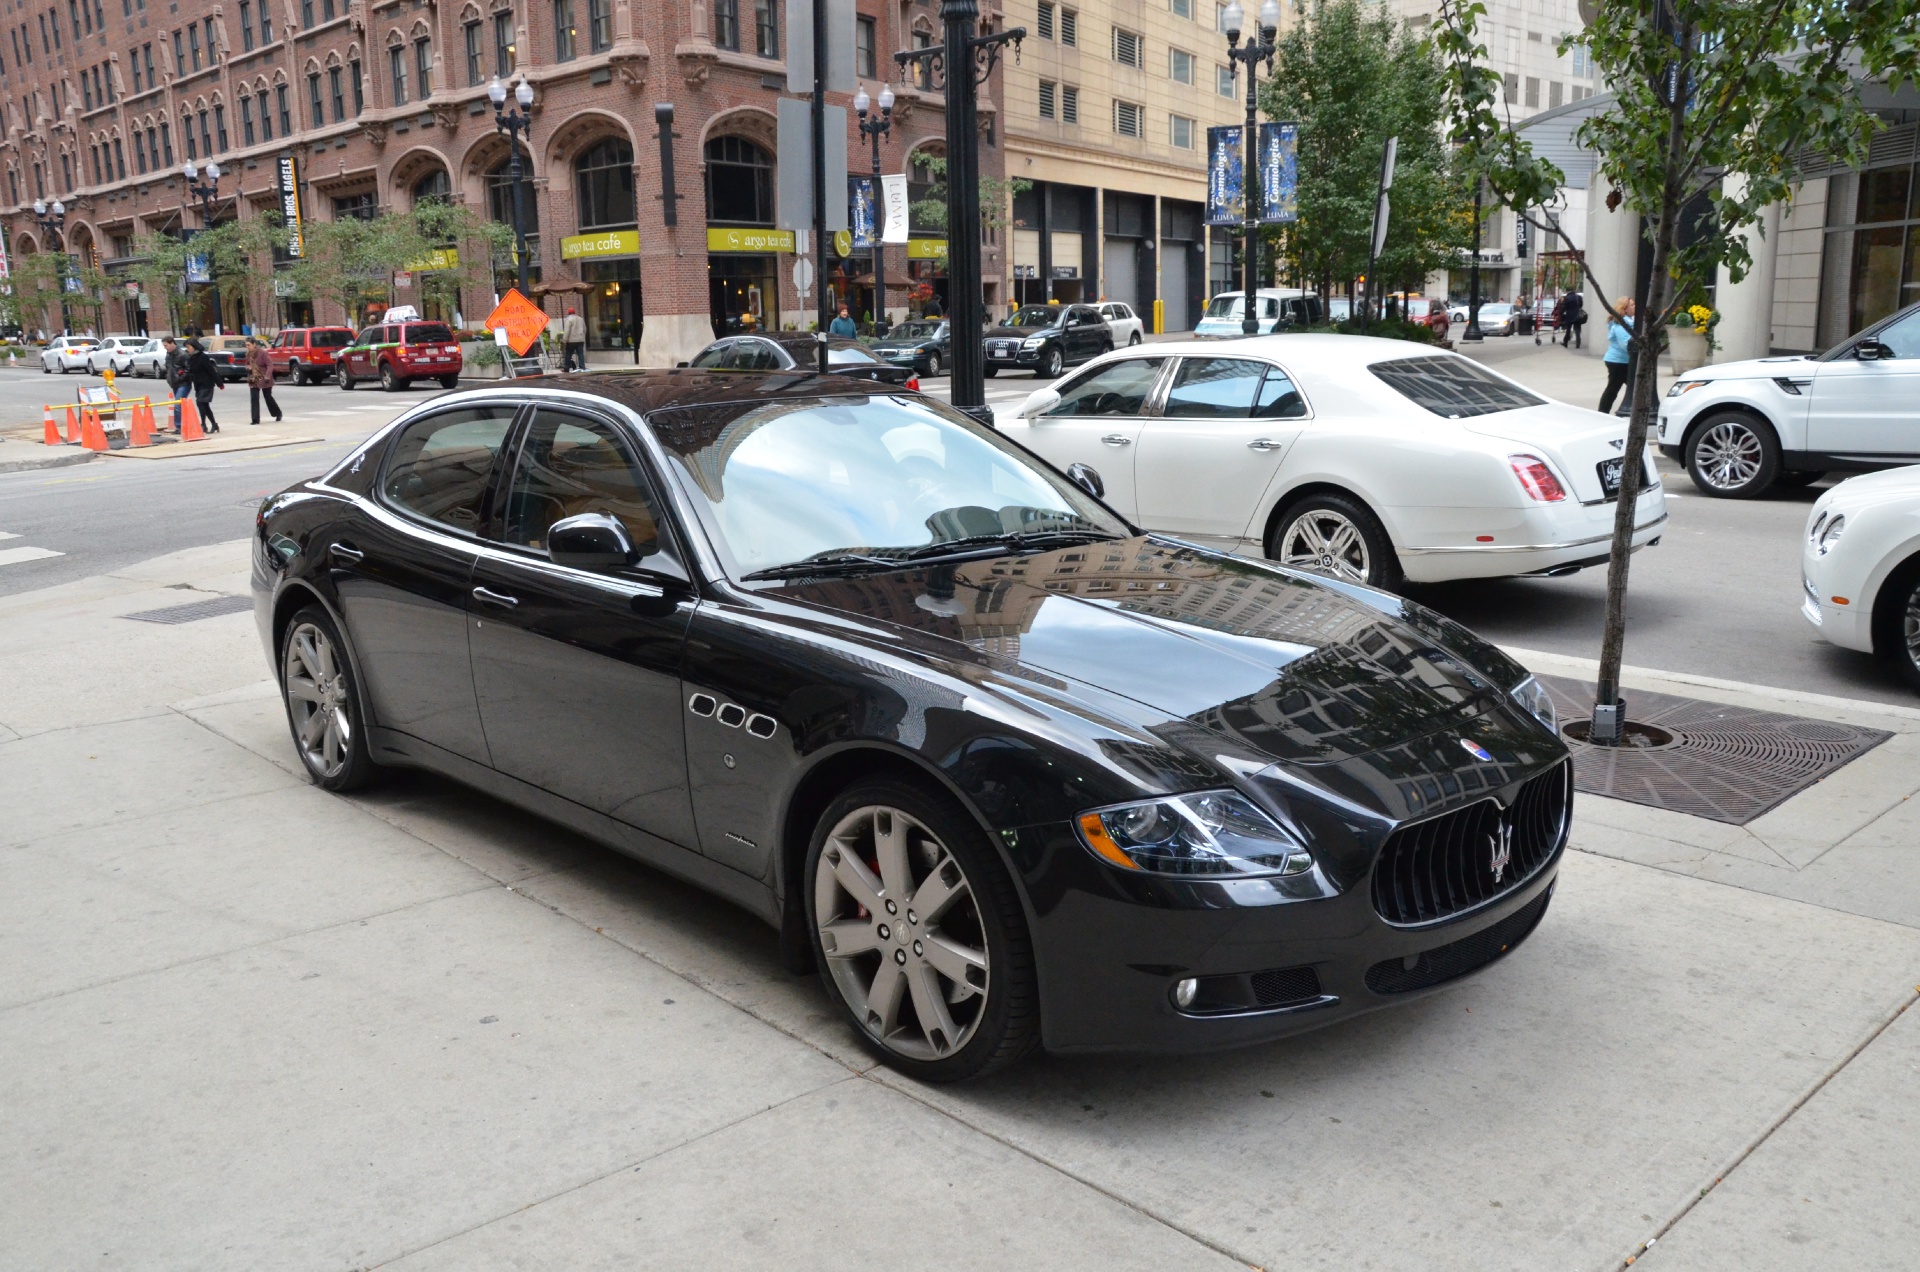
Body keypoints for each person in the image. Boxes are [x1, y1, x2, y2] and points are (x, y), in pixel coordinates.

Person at [1598, 298, 1636, 415]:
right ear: (1624, 309)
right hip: (1618, 362)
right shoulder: (1621, 323)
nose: (1635, 306)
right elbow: (1626, 343)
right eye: (1632, 305)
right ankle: (1603, 413)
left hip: (1623, 361)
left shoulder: (1628, 321)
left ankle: (1606, 412)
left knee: (1632, 388)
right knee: (1614, 389)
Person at [185, 338, 223, 433]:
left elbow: (211, 370)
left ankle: (203, 424)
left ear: (194, 347)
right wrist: (185, 373)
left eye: (189, 347)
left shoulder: (203, 357)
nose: (188, 349)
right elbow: (191, 371)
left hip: (206, 384)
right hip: (198, 384)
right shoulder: (191, 358)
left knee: (200, 403)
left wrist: (219, 383)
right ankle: (214, 424)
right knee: (204, 405)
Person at [246, 337, 283, 425]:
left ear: (254, 344)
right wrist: (248, 368)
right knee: (254, 398)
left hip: (265, 378)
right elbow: (247, 364)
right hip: (254, 378)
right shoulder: (248, 354)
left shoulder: (263, 353)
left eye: (249, 345)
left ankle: (278, 413)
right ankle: (255, 419)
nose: (247, 347)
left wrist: (267, 377)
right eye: (246, 345)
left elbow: (270, 365)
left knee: (268, 397)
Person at [161, 336, 188, 432]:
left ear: (172, 343)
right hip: (175, 382)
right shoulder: (168, 355)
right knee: (180, 404)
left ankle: (179, 426)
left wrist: (181, 377)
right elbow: (168, 367)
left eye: (166, 345)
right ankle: (183, 424)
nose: (165, 347)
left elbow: (188, 368)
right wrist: (168, 377)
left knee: (177, 404)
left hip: (183, 383)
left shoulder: (182, 354)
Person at [561, 306, 587, 372]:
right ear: (574, 312)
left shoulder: (568, 319)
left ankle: (566, 368)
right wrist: (582, 336)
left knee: (568, 354)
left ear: (568, 313)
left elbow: (567, 331)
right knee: (580, 354)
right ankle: (582, 367)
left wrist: (564, 340)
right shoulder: (581, 319)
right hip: (580, 340)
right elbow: (585, 329)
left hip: (571, 341)